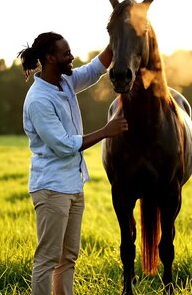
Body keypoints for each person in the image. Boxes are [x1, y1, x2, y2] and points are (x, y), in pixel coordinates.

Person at [17, 31, 128, 295]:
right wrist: (105, 131)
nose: (72, 57)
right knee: (47, 259)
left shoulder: (64, 81)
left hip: (74, 185)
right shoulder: (38, 100)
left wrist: (121, 33)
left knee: (68, 258)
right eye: (66, 53)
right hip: (52, 189)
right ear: (50, 57)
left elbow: (94, 69)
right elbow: (63, 144)